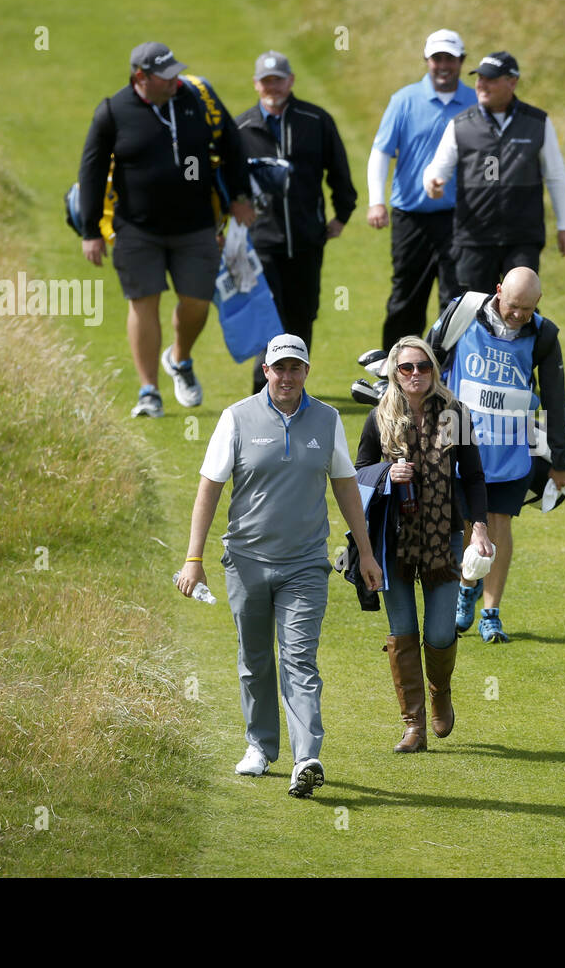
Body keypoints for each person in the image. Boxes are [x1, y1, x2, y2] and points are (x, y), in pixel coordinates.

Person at [176, 334, 383, 797]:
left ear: (306, 372)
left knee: (299, 659)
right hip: (246, 561)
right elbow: (209, 489)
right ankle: (260, 745)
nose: (287, 377)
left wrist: (366, 552)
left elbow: (346, 486)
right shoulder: (236, 419)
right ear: (265, 371)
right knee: (255, 660)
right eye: (279, 368)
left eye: (295, 368)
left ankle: (306, 755)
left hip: (306, 564)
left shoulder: (327, 420)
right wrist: (194, 559)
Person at [79, 41, 256, 419]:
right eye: (166, 76)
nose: (176, 80)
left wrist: (239, 195)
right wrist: (90, 229)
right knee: (144, 303)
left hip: (196, 226)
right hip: (136, 229)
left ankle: (180, 358)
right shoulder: (113, 112)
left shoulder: (195, 99)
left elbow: (231, 142)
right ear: (140, 77)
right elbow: (91, 171)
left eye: (177, 72)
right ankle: (149, 392)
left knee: (196, 302)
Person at [355, 337, 493, 751]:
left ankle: (440, 692)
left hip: (443, 537)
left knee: (437, 630)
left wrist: (480, 528)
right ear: (395, 372)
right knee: (402, 630)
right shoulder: (381, 416)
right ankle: (413, 725)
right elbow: (356, 472)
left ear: (434, 370)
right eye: (407, 368)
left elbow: (473, 476)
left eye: (424, 367)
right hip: (392, 538)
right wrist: (386, 474)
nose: (416, 375)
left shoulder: (453, 415)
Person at [426, 266, 565, 643]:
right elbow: (429, 358)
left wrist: (560, 459)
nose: (519, 315)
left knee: (499, 522)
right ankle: (465, 587)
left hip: (512, 445)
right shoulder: (462, 312)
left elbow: (555, 399)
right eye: (513, 306)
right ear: (497, 292)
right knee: (465, 522)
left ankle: (491, 614)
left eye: (527, 308)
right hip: (461, 439)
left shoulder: (544, 334)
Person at [236, 51, 357, 392]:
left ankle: (295, 385)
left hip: (307, 239)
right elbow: (225, 182)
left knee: (302, 315)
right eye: (265, 80)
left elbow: (339, 171)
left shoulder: (315, 121)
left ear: (290, 81)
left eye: (278, 79)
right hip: (261, 241)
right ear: (256, 84)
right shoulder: (241, 128)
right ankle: (263, 388)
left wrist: (342, 214)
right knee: (266, 316)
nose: (272, 86)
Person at [422, 52, 565, 294]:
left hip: (523, 238)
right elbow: (437, 168)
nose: (482, 85)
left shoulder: (537, 122)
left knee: (521, 307)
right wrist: (432, 183)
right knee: (474, 311)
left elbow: (555, 176)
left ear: (512, 82)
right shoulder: (460, 124)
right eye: (479, 78)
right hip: (475, 238)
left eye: (490, 79)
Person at [367, 30, 477, 351]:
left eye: (450, 59)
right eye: (437, 59)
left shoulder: (474, 102)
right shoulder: (404, 100)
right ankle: (395, 372)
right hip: (411, 218)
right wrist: (376, 202)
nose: (443, 65)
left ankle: (451, 374)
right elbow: (381, 152)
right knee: (407, 296)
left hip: (459, 219)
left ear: (461, 62)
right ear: (427, 61)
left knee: (456, 299)